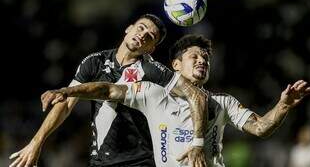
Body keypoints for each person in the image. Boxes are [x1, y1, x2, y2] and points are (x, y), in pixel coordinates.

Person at [40, 34, 310, 167]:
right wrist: (68, 91)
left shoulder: (223, 101)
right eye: (195, 56)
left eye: (206, 58)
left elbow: (261, 128)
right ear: (175, 65)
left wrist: (283, 106)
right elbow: (108, 90)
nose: (202, 60)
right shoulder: (153, 94)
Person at [9, 15, 208, 167]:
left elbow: (196, 95)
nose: (142, 34)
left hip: (138, 161)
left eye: (150, 36)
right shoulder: (94, 62)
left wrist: (198, 143)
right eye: (141, 28)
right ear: (128, 29)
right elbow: (65, 103)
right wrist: (36, 142)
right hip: (101, 161)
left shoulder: (152, 70)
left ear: (151, 49)